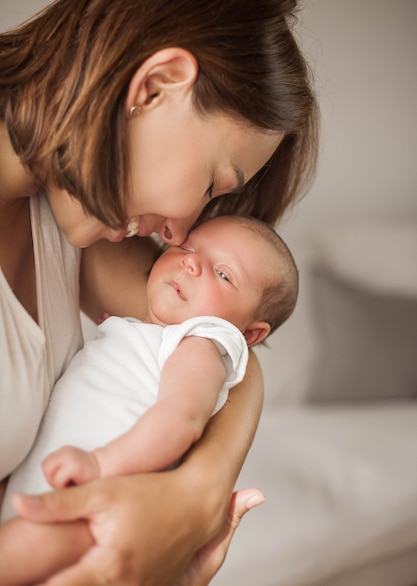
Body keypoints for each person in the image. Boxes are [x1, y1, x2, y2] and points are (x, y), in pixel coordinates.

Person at [0, 0, 319, 583]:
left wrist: (193, 498)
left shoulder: (77, 221)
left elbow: (223, 350)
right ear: (155, 86)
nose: (180, 234)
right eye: (209, 184)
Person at [0, 214, 298, 584]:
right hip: (50, 493)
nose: (192, 261)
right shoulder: (149, 334)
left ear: (249, 334)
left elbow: (181, 420)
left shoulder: (200, 345)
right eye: (187, 248)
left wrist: (99, 464)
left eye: (223, 274)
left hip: (96, 500)